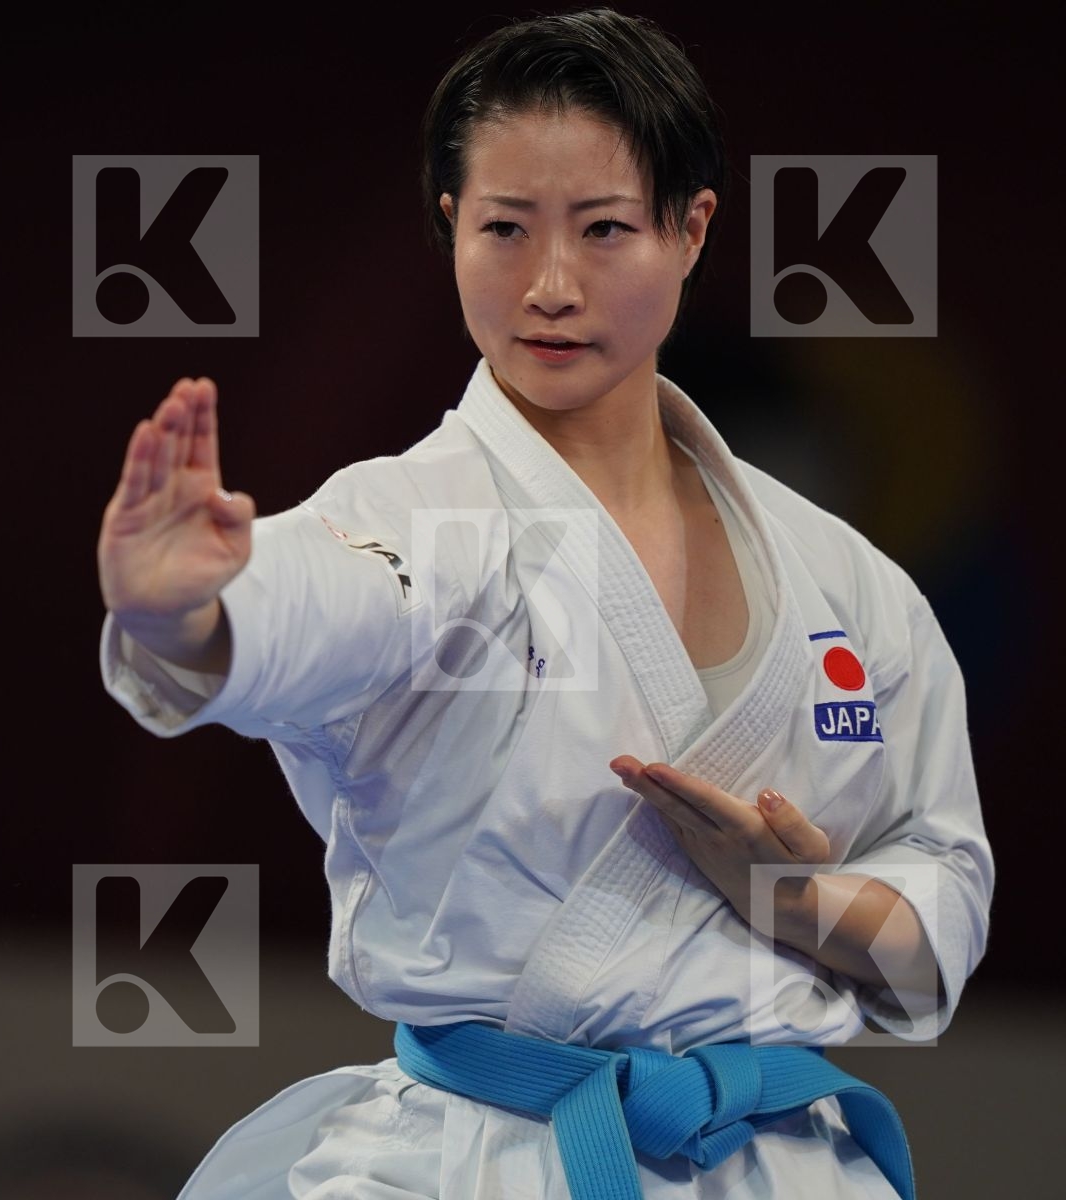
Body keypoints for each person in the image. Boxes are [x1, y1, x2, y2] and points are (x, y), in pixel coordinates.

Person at [94, 7, 993, 1199]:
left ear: (691, 228)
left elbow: (943, 888)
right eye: (505, 229)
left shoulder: (847, 577)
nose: (552, 286)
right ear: (449, 227)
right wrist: (184, 616)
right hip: (477, 1159)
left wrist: (790, 894)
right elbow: (318, 599)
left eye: (605, 229)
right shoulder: (425, 519)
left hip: (783, 1166)